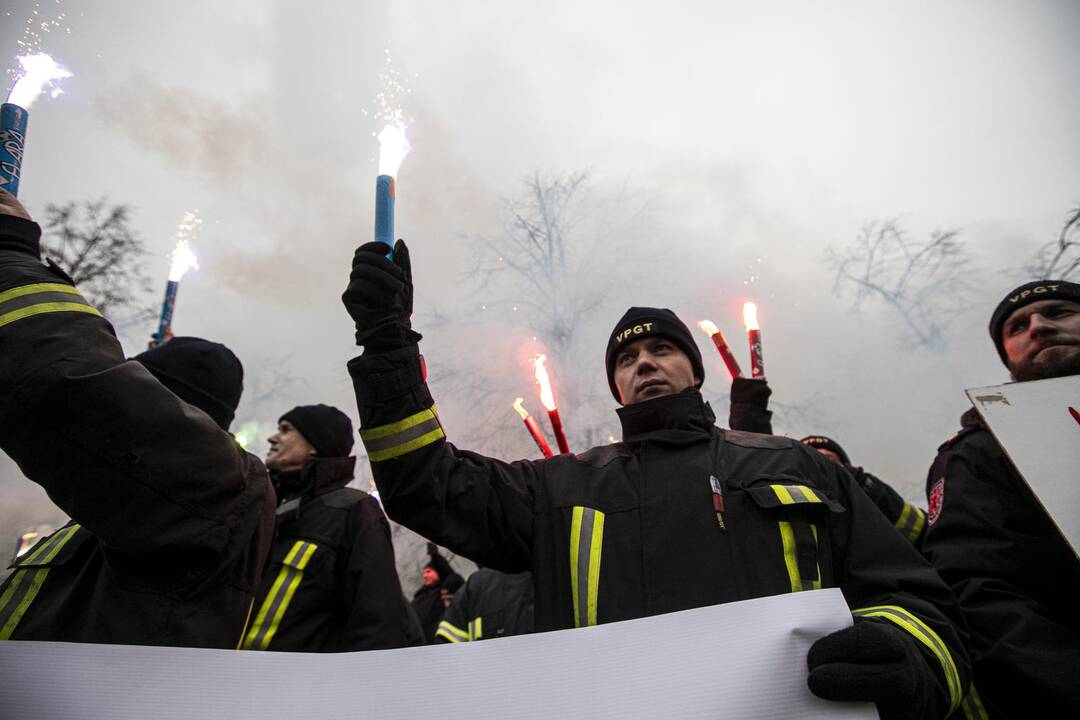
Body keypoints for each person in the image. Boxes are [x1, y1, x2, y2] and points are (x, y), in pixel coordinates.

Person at [341, 240, 971, 720]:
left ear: (694, 371)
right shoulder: (557, 490)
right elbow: (424, 481)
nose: (643, 362)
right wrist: (387, 344)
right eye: (626, 359)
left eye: (661, 350)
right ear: (617, 386)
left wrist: (905, 656)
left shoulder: (795, 465)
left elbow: (916, 600)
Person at [0, 189, 275, 647]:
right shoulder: (120, 500)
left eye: (139, 378)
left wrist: (10, 261)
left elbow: (69, 385)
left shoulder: (223, 490)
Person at [921, 280, 1080, 720]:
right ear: (1007, 357)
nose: (1039, 327)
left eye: (1059, 311)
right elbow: (980, 590)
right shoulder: (978, 454)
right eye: (1017, 326)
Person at [240, 404, 415, 652]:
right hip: (227, 678)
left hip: (297, 686)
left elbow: (378, 620)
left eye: (286, 430)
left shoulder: (352, 511)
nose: (272, 437)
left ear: (315, 445)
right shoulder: (260, 505)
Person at [801, 435, 926, 547]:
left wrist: (868, 488)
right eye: (811, 461)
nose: (822, 466)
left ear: (847, 469)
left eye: (830, 460)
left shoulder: (864, 498)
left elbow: (919, 531)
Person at [436, 568, 534, 643]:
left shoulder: (475, 584)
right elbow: (446, 650)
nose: (446, 604)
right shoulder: (475, 586)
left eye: (428, 571)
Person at [411, 543, 463, 643]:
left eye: (428, 571)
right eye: (424, 573)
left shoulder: (443, 590)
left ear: (437, 571)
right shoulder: (420, 595)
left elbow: (447, 572)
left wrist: (435, 555)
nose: (425, 575)